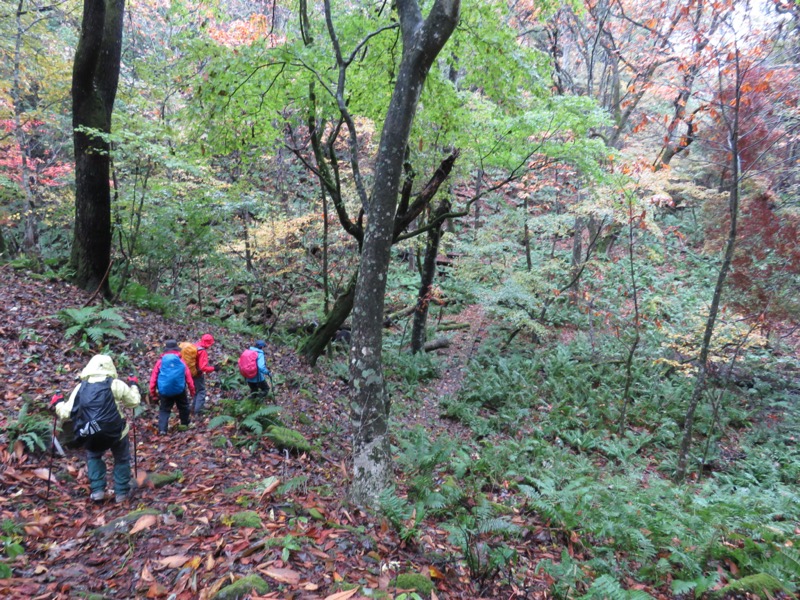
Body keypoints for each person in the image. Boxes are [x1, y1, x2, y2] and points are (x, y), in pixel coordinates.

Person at [50, 354, 141, 503]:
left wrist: (58, 402)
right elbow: (134, 402)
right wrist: (134, 385)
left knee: (94, 456)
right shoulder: (115, 384)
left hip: (91, 431)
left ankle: (98, 491)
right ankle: (121, 493)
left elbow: (65, 413)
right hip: (116, 431)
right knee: (121, 458)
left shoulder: (81, 387)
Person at [149, 339, 195, 435]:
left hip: (164, 390)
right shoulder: (181, 361)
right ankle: (185, 424)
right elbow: (189, 378)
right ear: (177, 350)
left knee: (164, 410)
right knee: (183, 407)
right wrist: (192, 391)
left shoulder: (160, 362)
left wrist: (153, 394)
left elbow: (153, 380)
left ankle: (162, 430)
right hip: (180, 390)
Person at [192, 333, 217, 415]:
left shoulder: (195, 346)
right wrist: (214, 368)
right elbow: (203, 368)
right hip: (197, 374)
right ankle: (198, 411)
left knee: (196, 390)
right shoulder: (202, 351)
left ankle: (193, 408)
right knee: (201, 391)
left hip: (189, 372)